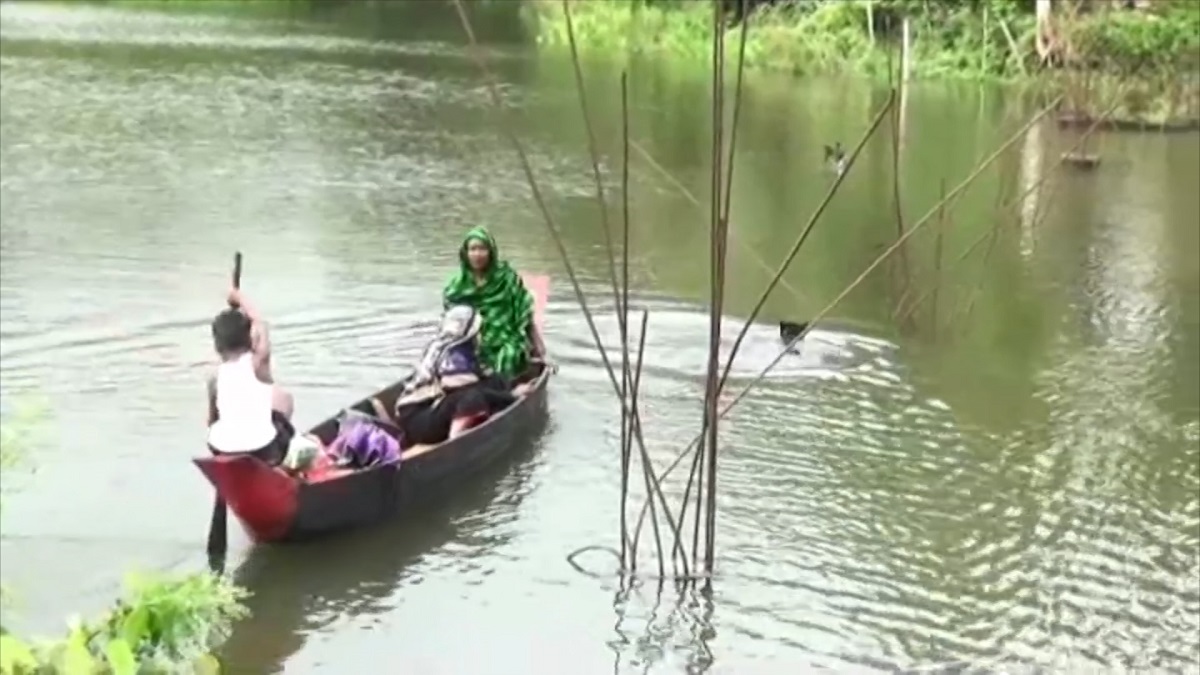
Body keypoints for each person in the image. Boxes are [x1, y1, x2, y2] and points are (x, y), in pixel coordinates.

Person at [373, 304, 516, 446]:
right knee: (473, 398)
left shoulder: (445, 345)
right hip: (419, 421)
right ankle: (455, 441)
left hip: (425, 412)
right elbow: (463, 388)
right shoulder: (454, 354)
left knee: (494, 382)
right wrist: (511, 397)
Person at [442, 227, 547, 382]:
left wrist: (538, 345)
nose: (477, 254)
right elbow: (450, 321)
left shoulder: (506, 277)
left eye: (482, 249)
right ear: (465, 253)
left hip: (505, 337)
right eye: (473, 249)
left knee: (508, 355)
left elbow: (524, 312)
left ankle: (504, 389)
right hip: (471, 339)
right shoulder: (457, 286)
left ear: (491, 252)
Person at [205, 288, 295, 465]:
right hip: (263, 449)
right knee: (285, 401)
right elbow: (261, 325)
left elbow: (211, 420)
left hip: (221, 448)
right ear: (249, 338)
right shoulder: (257, 363)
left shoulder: (214, 378)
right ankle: (278, 467)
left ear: (217, 345)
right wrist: (240, 298)